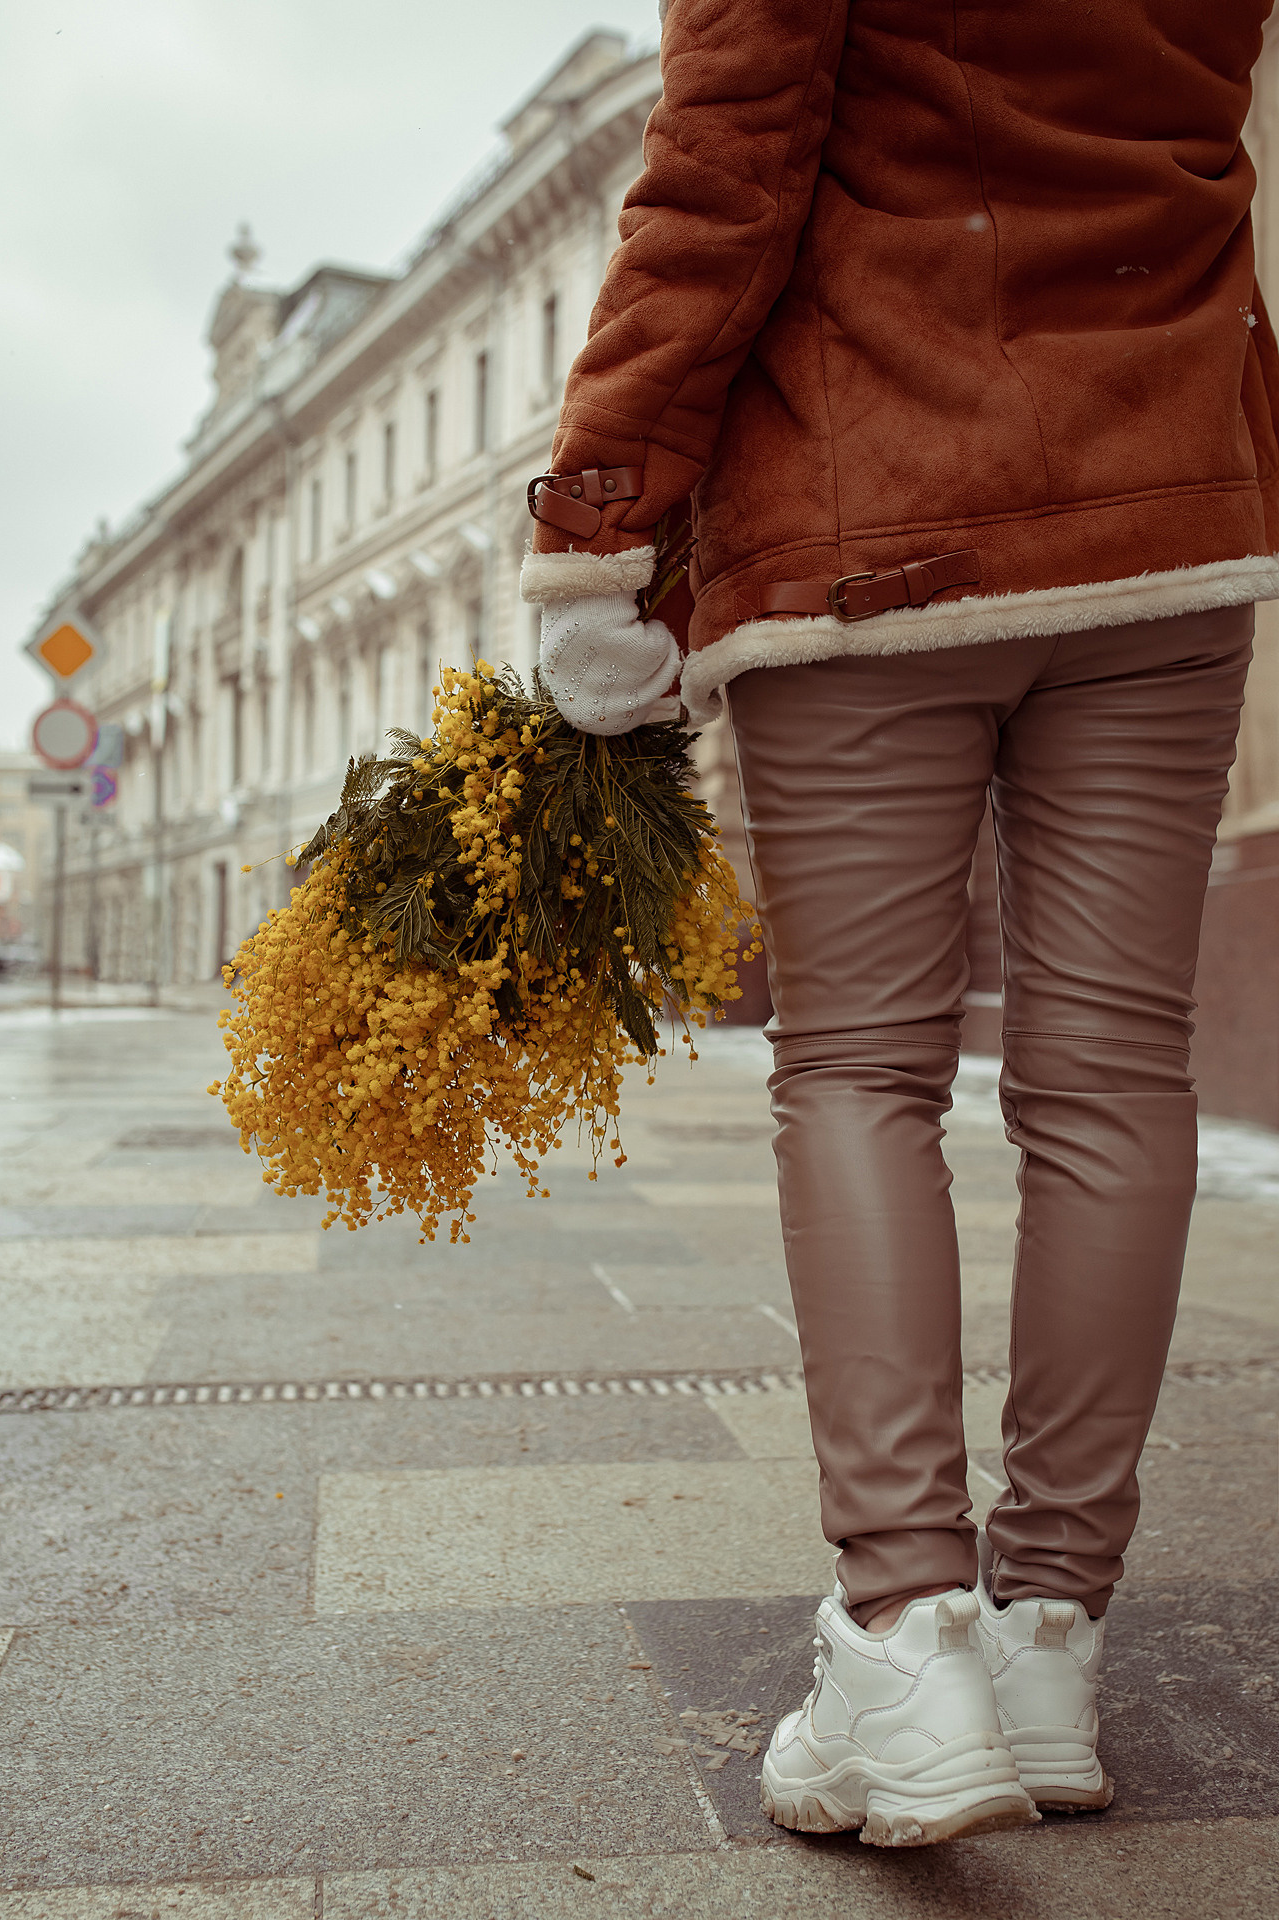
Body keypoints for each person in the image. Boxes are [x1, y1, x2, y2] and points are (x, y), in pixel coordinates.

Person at [521, 0, 1276, 1848]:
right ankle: (1043, 1641)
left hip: (878, 509)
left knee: (859, 1064)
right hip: (1166, 498)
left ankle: (904, 1631)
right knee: (1114, 1080)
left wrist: (601, 524)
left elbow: (718, 173)